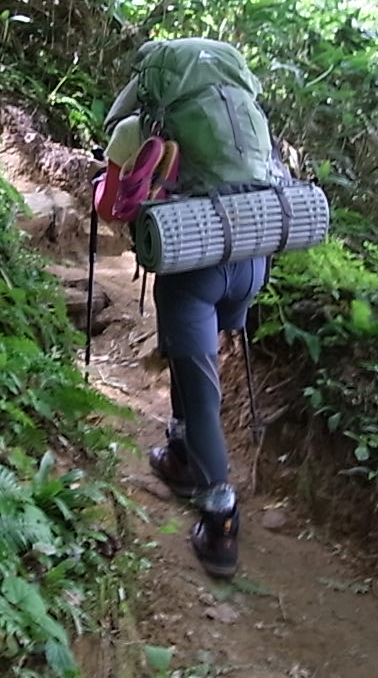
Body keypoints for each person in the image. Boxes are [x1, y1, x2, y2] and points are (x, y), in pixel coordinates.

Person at [95, 41, 271, 579]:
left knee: (199, 390)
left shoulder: (142, 125)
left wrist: (112, 183)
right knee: (193, 356)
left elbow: (108, 206)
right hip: (255, 258)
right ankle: (179, 450)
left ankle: (219, 519)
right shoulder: (250, 119)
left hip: (194, 265)